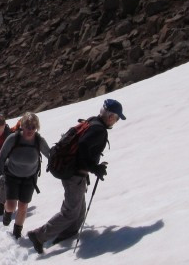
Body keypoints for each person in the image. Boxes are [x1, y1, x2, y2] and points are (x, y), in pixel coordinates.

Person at [27, 98, 126, 254]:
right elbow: (83, 149)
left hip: (72, 171)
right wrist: (95, 168)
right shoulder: (98, 130)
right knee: (71, 211)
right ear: (110, 116)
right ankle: (39, 235)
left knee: (79, 211)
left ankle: (66, 236)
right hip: (74, 174)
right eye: (116, 117)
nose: (116, 121)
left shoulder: (93, 122)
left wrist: (93, 168)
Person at [0, 111, 49, 239]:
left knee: (23, 206)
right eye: (27, 127)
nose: (30, 130)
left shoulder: (39, 141)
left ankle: (17, 232)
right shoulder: (13, 139)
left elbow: (50, 155)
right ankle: (7, 213)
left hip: (30, 178)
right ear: (22, 126)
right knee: (11, 205)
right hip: (12, 175)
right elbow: (1, 157)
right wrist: (0, 175)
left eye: (33, 127)